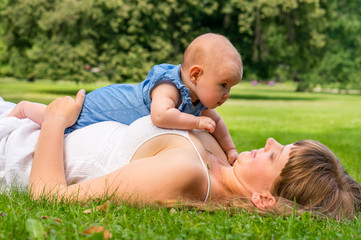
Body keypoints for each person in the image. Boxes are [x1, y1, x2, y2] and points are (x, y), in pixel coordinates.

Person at [2, 92, 361, 220]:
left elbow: (49, 196)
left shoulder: (184, 171)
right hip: (23, 129)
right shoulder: (222, 160)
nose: (268, 141)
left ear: (264, 198)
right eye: (281, 144)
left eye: (273, 157)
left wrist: (54, 120)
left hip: (14, 151)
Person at [7, 33, 243, 164]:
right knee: (68, 121)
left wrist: (231, 150)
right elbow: (160, 116)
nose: (226, 95)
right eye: (223, 85)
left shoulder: (197, 99)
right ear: (196, 74)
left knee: (70, 133)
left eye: (230, 87)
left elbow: (219, 124)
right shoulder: (169, 88)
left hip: (112, 122)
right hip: (102, 108)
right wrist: (196, 123)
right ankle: (26, 108)